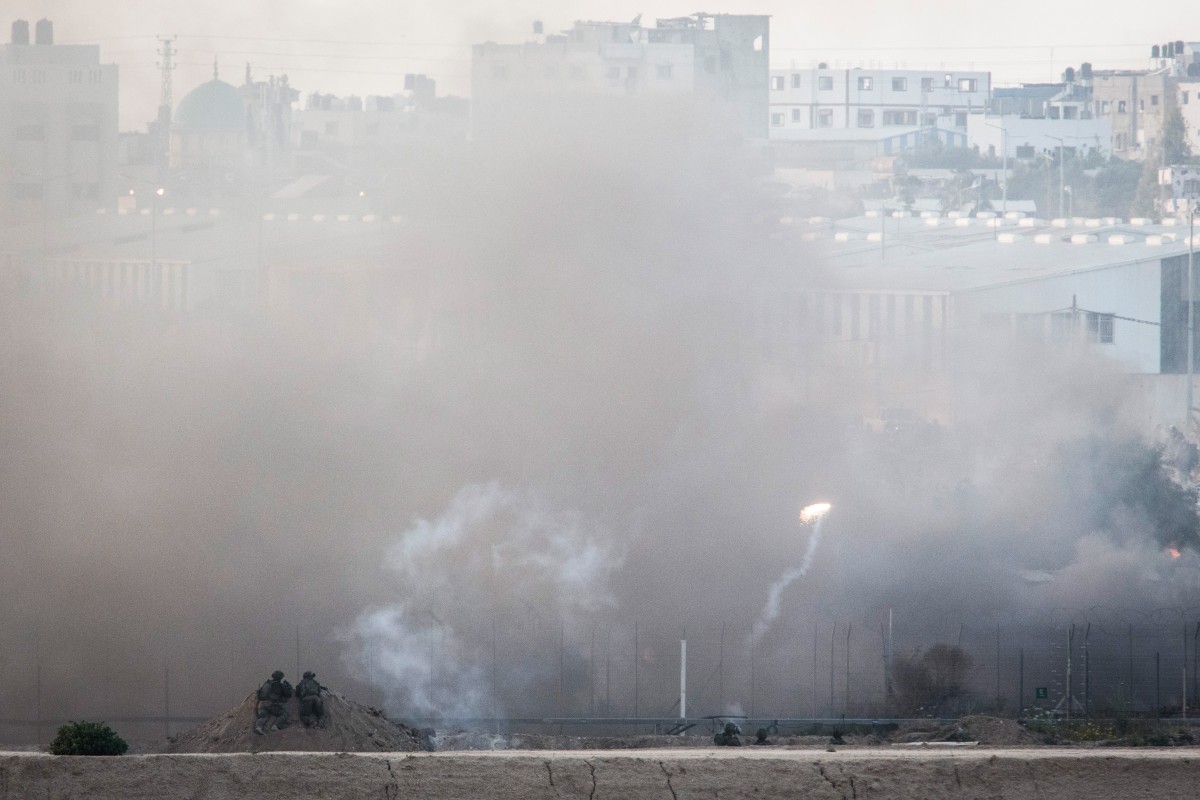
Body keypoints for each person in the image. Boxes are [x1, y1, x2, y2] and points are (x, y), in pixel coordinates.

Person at [254, 670, 293, 735]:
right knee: (284, 714)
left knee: (264, 716)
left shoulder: (267, 683)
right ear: (280, 678)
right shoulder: (279, 685)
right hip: (271, 704)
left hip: (261, 704)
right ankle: (276, 726)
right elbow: (288, 694)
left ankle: (258, 727)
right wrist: (288, 686)